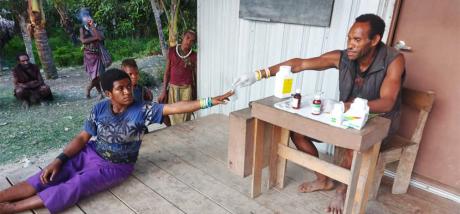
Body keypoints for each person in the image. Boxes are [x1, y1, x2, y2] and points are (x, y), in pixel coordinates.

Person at [232, 14, 405, 213]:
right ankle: (323, 180)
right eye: (349, 38)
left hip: (380, 121)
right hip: (345, 114)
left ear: (375, 40)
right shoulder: (344, 57)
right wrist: (258, 74)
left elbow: (387, 102)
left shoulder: (393, 60)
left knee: (351, 143)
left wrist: (350, 107)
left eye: (357, 40)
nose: (350, 44)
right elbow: (300, 64)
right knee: (298, 133)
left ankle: (341, 192)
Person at [0, 68, 233, 214]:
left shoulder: (143, 110)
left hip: (116, 166)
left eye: (129, 87)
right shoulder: (99, 108)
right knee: (47, 175)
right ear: (108, 94)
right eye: (120, 89)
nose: (127, 92)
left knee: (75, 185)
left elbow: (175, 107)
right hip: (89, 153)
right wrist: (58, 160)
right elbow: (82, 137)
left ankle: (12, 208)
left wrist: (209, 102)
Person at [158, 30, 197, 126]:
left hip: (186, 89)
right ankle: (175, 134)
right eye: (187, 38)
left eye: (192, 40)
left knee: (185, 115)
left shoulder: (194, 56)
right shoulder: (172, 51)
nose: (189, 42)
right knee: (172, 113)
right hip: (173, 89)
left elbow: (195, 75)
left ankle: (183, 136)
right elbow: (167, 72)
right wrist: (163, 91)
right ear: (183, 37)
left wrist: (195, 92)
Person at [79, 8, 105, 99]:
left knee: (100, 74)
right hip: (89, 55)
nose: (86, 18)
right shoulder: (82, 28)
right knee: (95, 75)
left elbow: (101, 38)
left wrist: (92, 27)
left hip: (99, 53)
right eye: (84, 16)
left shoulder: (98, 26)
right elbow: (83, 40)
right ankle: (98, 92)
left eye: (87, 16)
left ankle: (90, 89)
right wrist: (95, 38)